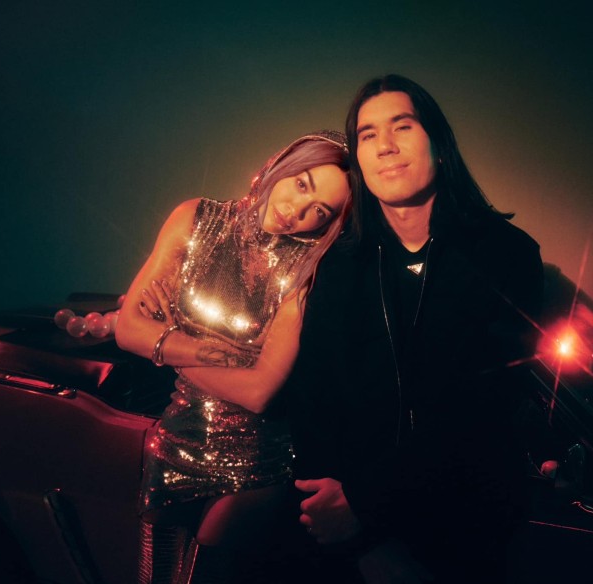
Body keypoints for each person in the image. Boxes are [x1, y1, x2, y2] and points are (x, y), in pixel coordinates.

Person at [280, 75, 544, 583]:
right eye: (368, 134)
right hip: (347, 538)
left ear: (439, 145)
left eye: (402, 126)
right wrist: (356, 539)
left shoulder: (508, 255)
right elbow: (314, 398)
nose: (385, 146)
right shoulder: (339, 264)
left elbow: (485, 408)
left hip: (465, 528)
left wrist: (369, 508)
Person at [115, 130, 351, 584]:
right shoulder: (194, 218)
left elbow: (260, 392)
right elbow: (127, 330)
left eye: (320, 210)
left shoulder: (308, 271)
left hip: (256, 460)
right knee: (154, 575)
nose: (297, 211)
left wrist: (170, 342)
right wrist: (225, 355)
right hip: (173, 439)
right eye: (301, 184)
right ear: (283, 163)